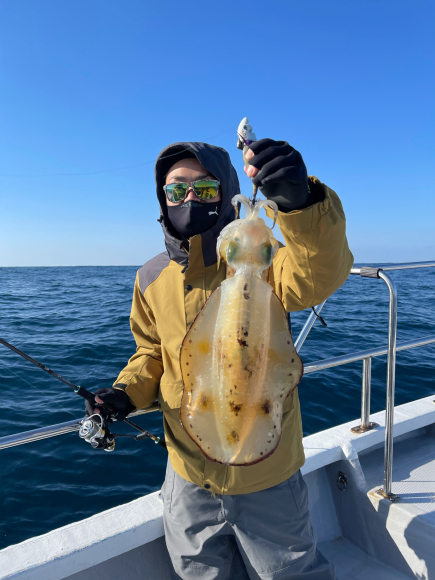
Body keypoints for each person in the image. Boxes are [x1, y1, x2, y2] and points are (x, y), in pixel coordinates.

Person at [86, 137, 353, 579]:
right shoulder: (151, 277)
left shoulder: (266, 265)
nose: (189, 199)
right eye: (176, 190)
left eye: (205, 189)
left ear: (225, 193)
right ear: (163, 199)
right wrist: (124, 393)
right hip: (187, 474)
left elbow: (319, 269)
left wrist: (301, 202)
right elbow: (152, 353)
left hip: (267, 476)